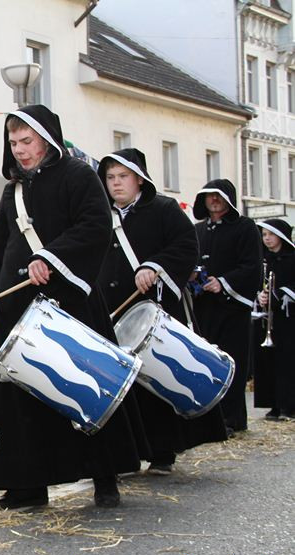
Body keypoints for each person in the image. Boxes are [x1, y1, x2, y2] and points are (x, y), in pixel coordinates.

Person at [0, 105, 147, 511]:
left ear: (47, 138)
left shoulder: (79, 176)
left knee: (85, 385)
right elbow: (0, 247)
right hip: (17, 301)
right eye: (13, 142)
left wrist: (52, 258)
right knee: (19, 396)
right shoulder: (12, 190)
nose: (20, 150)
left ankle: (105, 478)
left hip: (69, 297)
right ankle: (27, 485)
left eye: (27, 141)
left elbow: (94, 226)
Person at [96, 149, 227, 475]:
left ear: (139, 178)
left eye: (122, 177)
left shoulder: (164, 209)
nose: (116, 183)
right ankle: (128, 454)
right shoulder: (101, 215)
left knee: (156, 380)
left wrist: (155, 267)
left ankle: (162, 452)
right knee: (123, 386)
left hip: (154, 309)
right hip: (115, 311)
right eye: (111, 178)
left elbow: (186, 245)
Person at [191, 180, 262, 433]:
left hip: (232, 307)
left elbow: (252, 266)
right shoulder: (199, 230)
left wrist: (223, 282)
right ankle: (210, 420)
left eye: (219, 196)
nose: (214, 200)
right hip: (203, 307)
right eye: (209, 196)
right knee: (206, 362)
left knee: (231, 362)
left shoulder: (245, 228)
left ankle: (232, 419)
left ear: (228, 199)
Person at [252, 219, 295, 420]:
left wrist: (278, 294)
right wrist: (260, 296)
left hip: (289, 319)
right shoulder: (264, 260)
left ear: (282, 236)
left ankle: (289, 405)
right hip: (268, 318)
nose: (267, 239)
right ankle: (274, 404)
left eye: (271, 234)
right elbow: (257, 285)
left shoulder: (292, 258)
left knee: (287, 362)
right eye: (264, 235)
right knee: (269, 362)